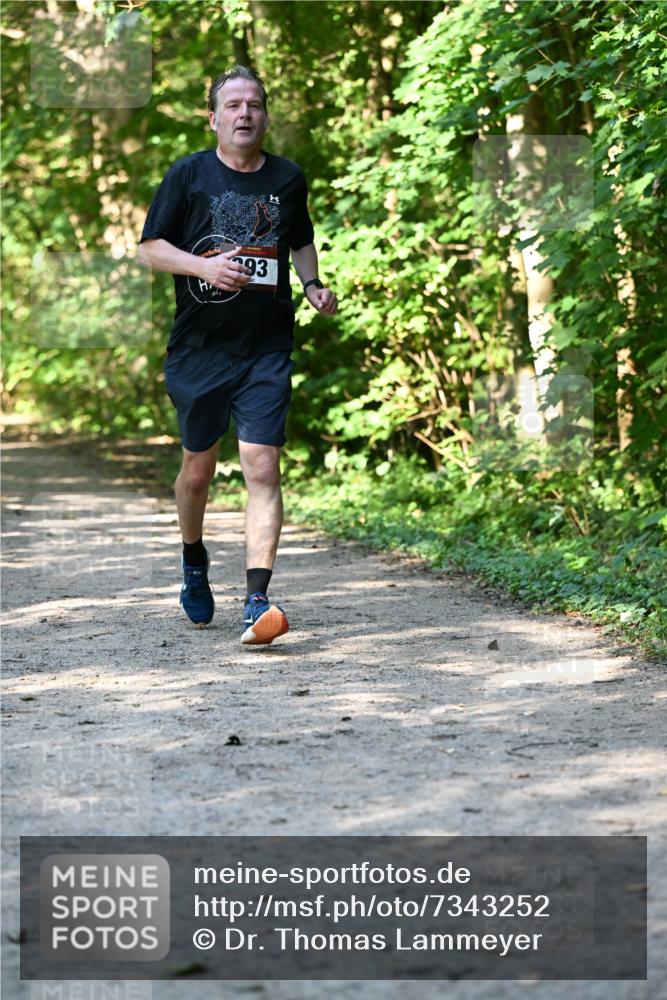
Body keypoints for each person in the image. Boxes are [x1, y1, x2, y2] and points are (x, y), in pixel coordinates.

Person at [138, 65, 337, 645]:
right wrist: (203, 266)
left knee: (263, 464)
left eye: (254, 104)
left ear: (265, 115)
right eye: (232, 105)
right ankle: (193, 558)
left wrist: (312, 284)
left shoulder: (288, 178)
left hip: (266, 347)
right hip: (199, 349)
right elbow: (150, 248)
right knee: (198, 470)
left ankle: (257, 599)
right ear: (214, 118)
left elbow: (299, 238)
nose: (244, 113)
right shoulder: (189, 174)